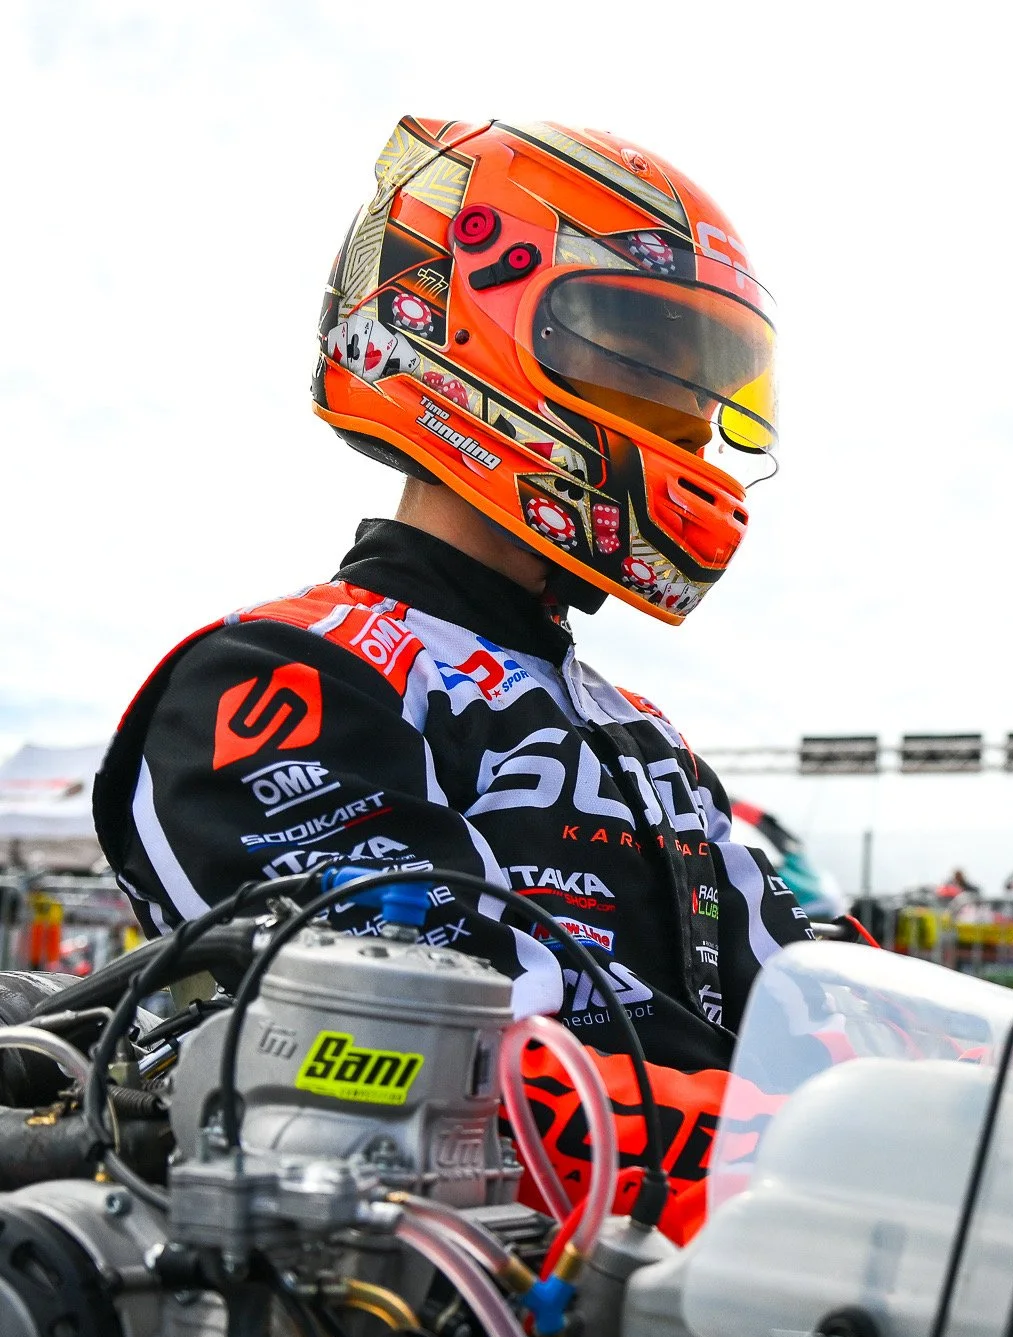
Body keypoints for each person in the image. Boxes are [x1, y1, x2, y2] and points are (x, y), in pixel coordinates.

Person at [93, 118, 806, 1239]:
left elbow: (820, 994)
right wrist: (817, 1158)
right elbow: (441, 1059)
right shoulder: (281, 671)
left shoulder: (643, 736)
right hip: (418, 1327)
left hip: (715, 1291)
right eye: (644, 356)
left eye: (701, 385)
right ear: (461, 328)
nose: (690, 425)